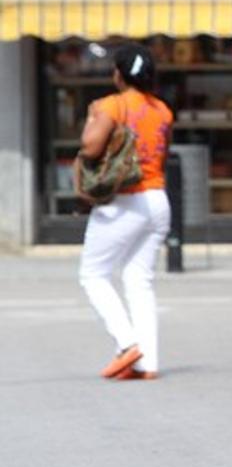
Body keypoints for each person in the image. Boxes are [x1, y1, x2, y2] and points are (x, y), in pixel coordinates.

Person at [77, 43, 174, 381]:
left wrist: (92, 118)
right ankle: (148, 363)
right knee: (139, 280)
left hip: (123, 201)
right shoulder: (162, 110)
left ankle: (127, 343)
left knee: (93, 274)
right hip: (157, 199)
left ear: (118, 73)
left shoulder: (111, 105)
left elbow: (90, 147)